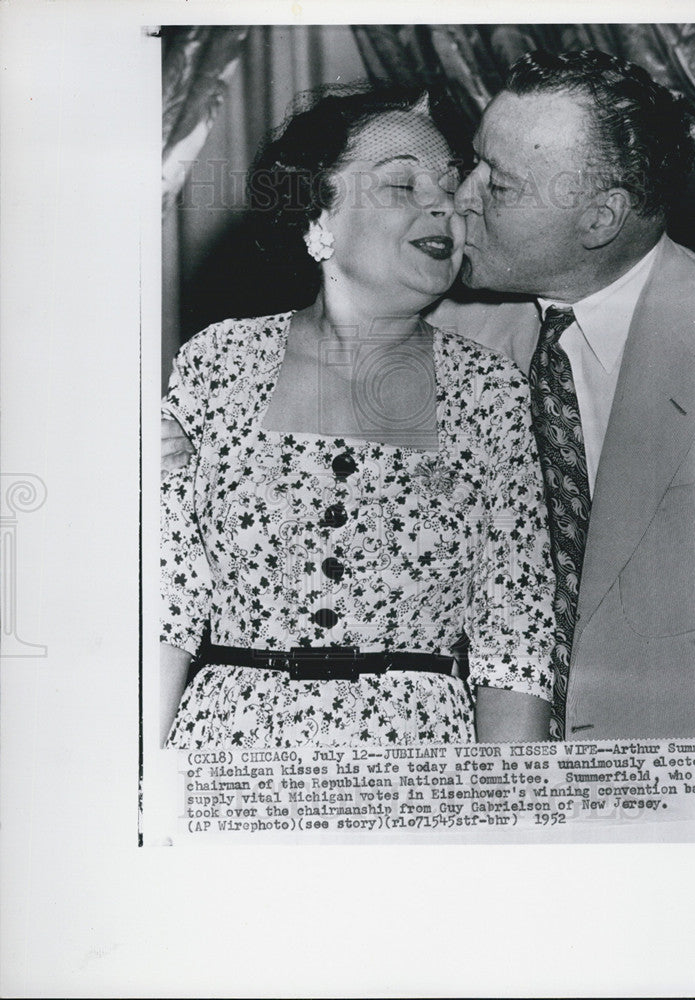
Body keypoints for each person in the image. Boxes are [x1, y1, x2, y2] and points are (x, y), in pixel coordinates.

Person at [160, 87, 556, 749]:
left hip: (419, 774)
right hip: (230, 755)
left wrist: (502, 822)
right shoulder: (220, 362)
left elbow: (513, 644)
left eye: (450, 187)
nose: (444, 205)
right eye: (401, 183)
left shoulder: (489, 392)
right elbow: (166, 607)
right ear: (317, 222)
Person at [441, 49, 695, 740]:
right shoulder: (440, 335)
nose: (460, 196)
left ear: (599, 220)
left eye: (496, 186)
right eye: (471, 162)